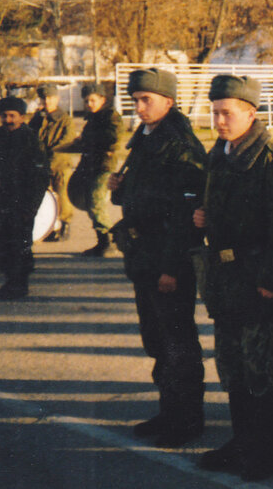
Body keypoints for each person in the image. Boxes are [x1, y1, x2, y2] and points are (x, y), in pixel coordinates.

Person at [193, 75, 273, 481]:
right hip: (225, 278)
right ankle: (242, 441)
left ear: (251, 113)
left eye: (227, 113)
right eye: (215, 112)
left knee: (259, 371)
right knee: (231, 367)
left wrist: (272, 280)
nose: (219, 120)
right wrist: (202, 216)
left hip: (259, 279)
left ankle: (265, 452)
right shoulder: (219, 155)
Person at [109, 68, 207, 446]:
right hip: (144, 257)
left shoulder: (179, 144)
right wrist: (119, 190)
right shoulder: (146, 139)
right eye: (136, 100)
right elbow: (142, 196)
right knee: (157, 339)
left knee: (177, 341)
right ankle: (170, 411)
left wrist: (172, 268)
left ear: (168, 100)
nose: (139, 107)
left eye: (146, 99)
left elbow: (185, 216)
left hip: (167, 258)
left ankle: (187, 419)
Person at [0, 96, 50, 299]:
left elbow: (40, 177)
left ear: (22, 117)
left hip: (22, 201)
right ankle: (11, 280)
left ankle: (18, 285)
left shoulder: (31, 140)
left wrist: (31, 207)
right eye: (4, 116)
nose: (8, 120)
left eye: (12, 116)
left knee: (18, 246)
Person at [64, 83, 124, 257]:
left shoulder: (110, 116)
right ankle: (102, 242)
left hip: (104, 166)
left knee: (97, 203)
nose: (89, 104)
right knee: (91, 204)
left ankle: (108, 242)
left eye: (92, 100)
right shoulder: (92, 119)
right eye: (86, 101)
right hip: (89, 166)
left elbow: (113, 139)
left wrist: (89, 140)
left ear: (102, 99)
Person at [29, 83, 76, 241]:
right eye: (43, 98)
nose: (47, 101)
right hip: (40, 165)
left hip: (60, 163)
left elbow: (66, 142)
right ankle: (49, 228)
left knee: (62, 195)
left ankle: (65, 225)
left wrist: (47, 161)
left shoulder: (65, 119)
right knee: (44, 199)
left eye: (50, 98)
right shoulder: (38, 118)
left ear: (57, 98)